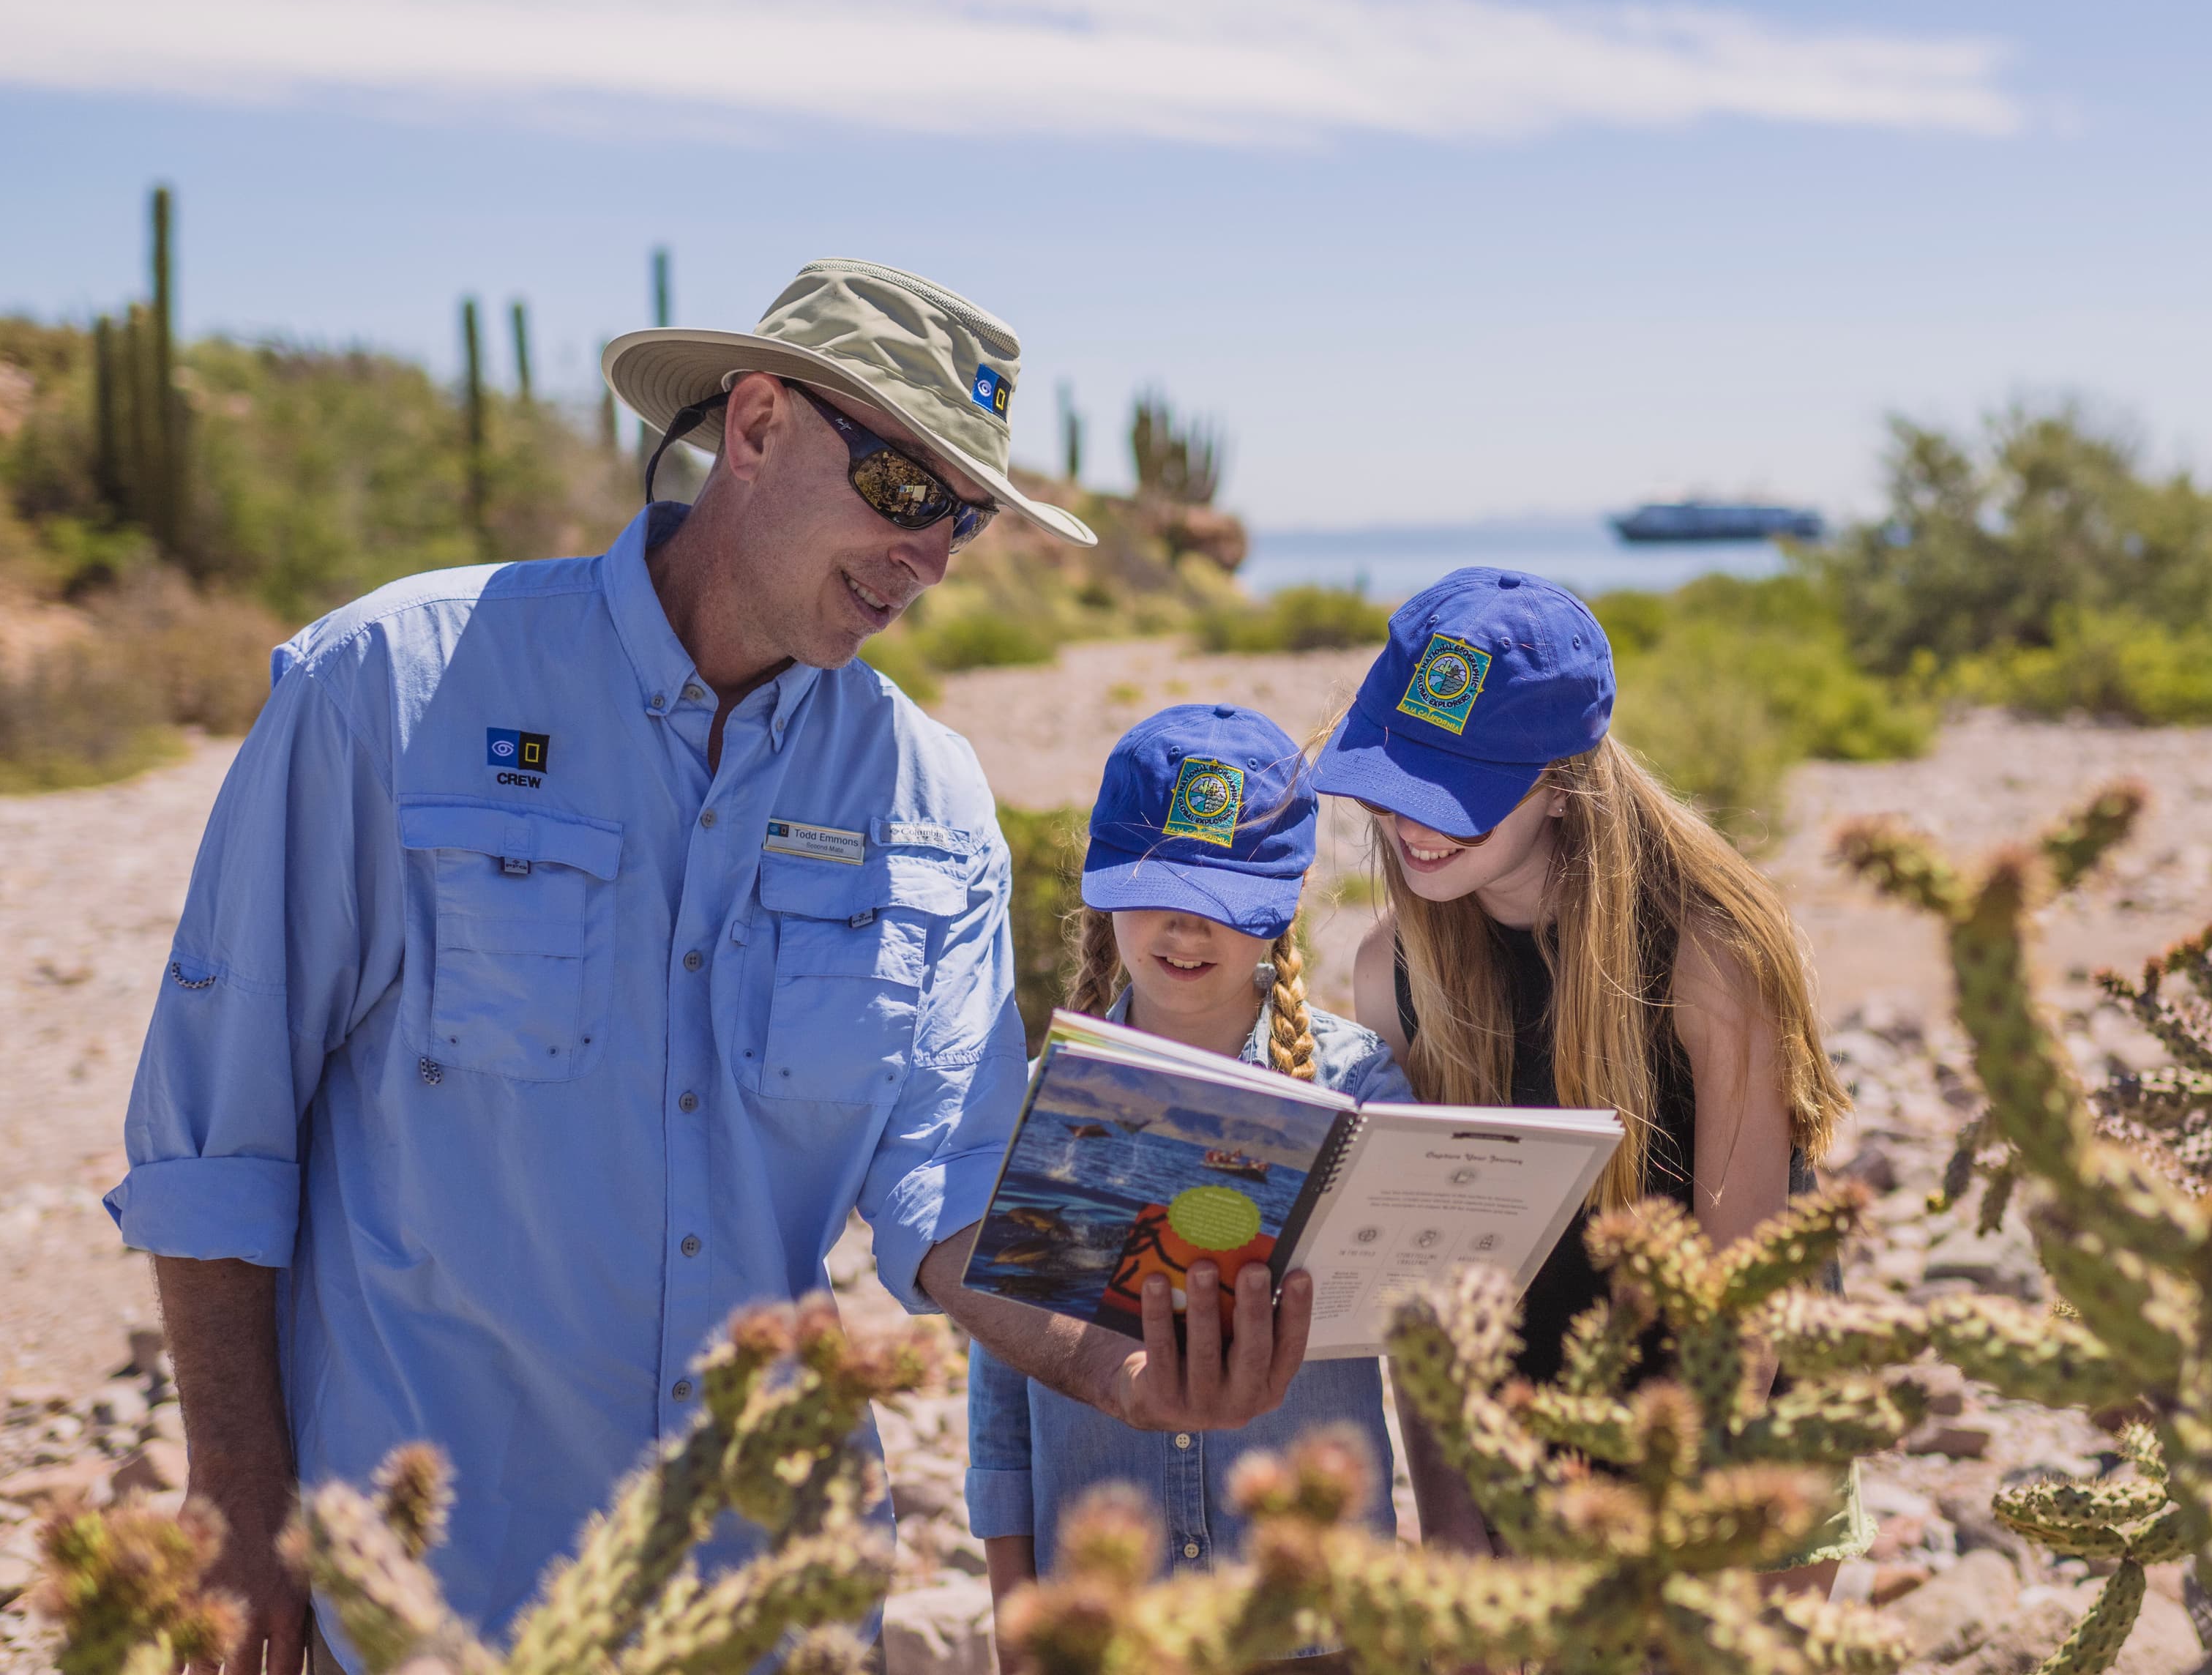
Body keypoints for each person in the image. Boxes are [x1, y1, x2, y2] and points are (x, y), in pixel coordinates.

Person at [107, 259, 1312, 1675]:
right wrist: (238, 1497)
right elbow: (216, 1136)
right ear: (754, 428)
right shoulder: (387, 687)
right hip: (420, 1590)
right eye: (908, 493)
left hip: (762, 1604)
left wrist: (1119, 1364)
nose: (931, 560)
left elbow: (950, 1197)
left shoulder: (933, 796)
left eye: (965, 518)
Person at [1307, 566, 1864, 1580]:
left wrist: (1660, 1543)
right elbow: (1422, 1294)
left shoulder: (1709, 956)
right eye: (1396, 781)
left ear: (1560, 786)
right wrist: (1458, 1541)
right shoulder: (1394, 970)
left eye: (1457, 794)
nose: (1412, 826)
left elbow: (1744, 1304)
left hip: (1744, 1463)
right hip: (1524, 1456)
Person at [968, 705, 1409, 1662]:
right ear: (1100, 891)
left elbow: (1427, 1339)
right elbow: (1001, 1391)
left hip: (1317, 1627)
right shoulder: (1038, 1097)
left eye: (1224, 897)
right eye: (1156, 889)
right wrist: (1017, 1620)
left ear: (1283, 905)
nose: (1184, 927)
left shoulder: (1361, 1086)